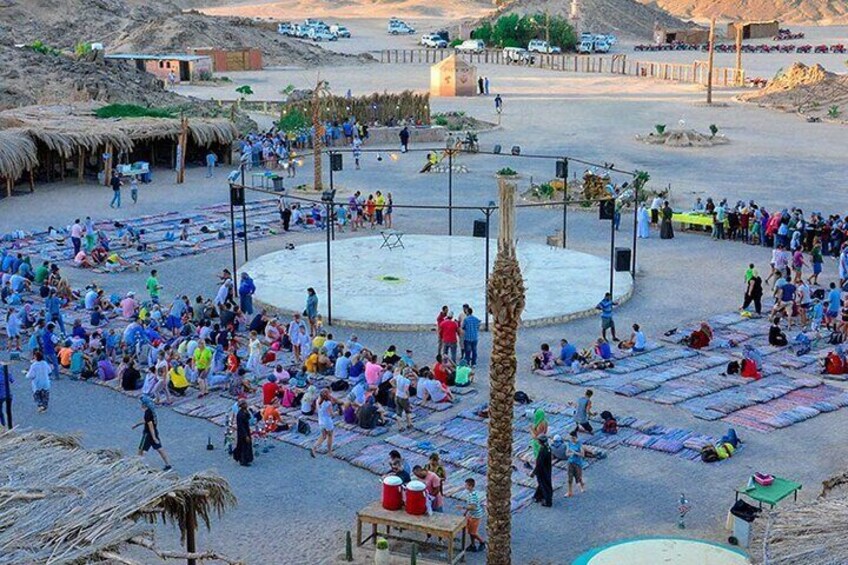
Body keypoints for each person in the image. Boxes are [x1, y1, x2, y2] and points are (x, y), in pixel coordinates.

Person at [134, 396, 172, 470]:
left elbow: (150, 425)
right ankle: (168, 464)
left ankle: (140, 465)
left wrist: (154, 438)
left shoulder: (147, 413)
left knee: (141, 450)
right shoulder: (152, 411)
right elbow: (147, 421)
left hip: (148, 434)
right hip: (155, 432)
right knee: (160, 449)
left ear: (144, 404)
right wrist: (137, 424)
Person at [311, 389, 340, 457]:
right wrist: (337, 412)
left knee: (323, 436)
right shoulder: (328, 403)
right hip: (327, 422)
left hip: (321, 421)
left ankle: (314, 447)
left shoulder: (317, 401)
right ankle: (329, 452)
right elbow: (332, 414)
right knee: (330, 436)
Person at [463, 478, 486, 553]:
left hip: (475, 516)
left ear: (470, 486)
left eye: (466, 485)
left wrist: (463, 508)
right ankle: (472, 545)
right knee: (470, 531)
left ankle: (482, 542)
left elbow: (473, 506)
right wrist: (466, 512)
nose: (465, 486)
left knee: (473, 532)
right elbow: (470, 504)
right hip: (472, 514)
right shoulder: (471, 493)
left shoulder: (473, 495)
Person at [532, 435, 553, 507]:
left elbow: (539, 463)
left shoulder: (543, 450)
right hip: (547, 469)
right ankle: (538, 496)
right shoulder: (548, 448)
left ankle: (548, 501)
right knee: (543, 484)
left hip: (542, 471)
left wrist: (534, 472)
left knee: (544, 485)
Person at [232, 399, 254, 467]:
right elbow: (241, 426)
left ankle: (248, 458)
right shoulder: (240, 414)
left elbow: (248, 417)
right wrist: (245, 435)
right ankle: (243, 460)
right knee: (244, 446)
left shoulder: (244, 411)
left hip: (246, 430)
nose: (246, 405)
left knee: (247, 445)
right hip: (242, 432)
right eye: (245, 404)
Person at [565, 430, 586, 497]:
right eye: (571, 438)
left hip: (577, 463)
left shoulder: (579, 444)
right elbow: (566, 453)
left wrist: (575, 452)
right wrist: (570, 454)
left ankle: (582, 485)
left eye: (573, 438)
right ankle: (570, 492)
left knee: (579, 477)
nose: (572, 439)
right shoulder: (569, 443)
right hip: (570, 462)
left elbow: (582, 455)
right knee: (569, 478)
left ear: (576, 437)